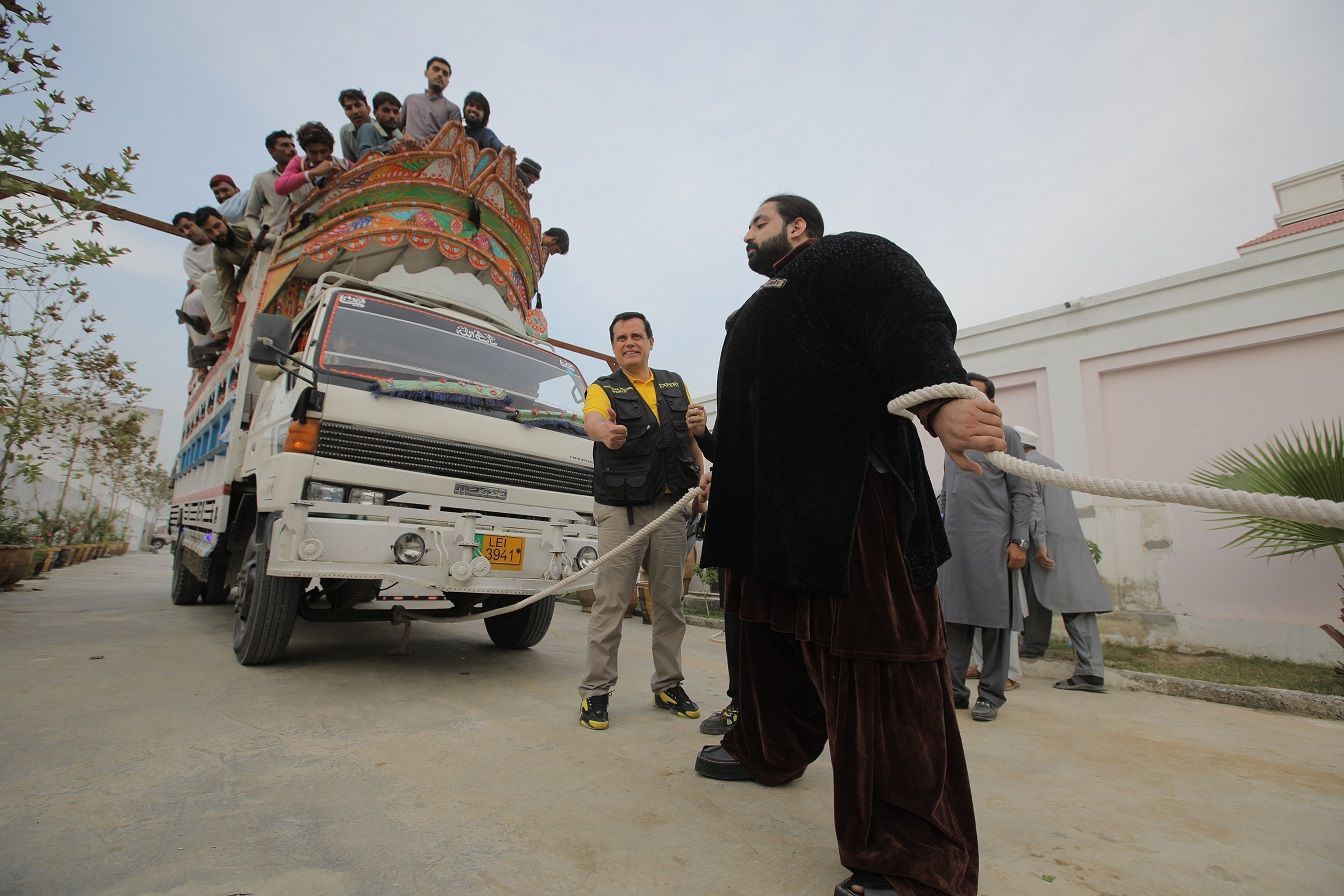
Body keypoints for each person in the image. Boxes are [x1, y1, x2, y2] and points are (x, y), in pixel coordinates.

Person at [693, 194, 1002, 896]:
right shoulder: (755, 309)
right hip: (758, 508)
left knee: (876, 664)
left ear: (798, 228)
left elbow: (904, 313)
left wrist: (941, 397)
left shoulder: (845, 258)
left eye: (760, 222)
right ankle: (768, 747)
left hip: (847, 503)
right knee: (762, 641)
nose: (746, 234)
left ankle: (915, 856)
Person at [578, 312, 707, 731]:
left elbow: (688, 436)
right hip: (622, 510)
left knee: (669, 604)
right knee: (612, 602)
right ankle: (596, 693)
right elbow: (593, 420)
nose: (629, 342)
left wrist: (702, 476)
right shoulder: (602, 389)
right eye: (621, 338)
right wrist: (605, 434)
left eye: (636, 336)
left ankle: (668, 684)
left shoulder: (674, 382)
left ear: (651, 342)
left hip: (671, 509)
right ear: (613, 348)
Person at [938, 372, 1033, 724]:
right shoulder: (950, 438)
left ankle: (991, 695)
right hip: (954, 542)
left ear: (991, 402)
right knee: (954, 618)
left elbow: (1022, 492)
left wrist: (1018, 541)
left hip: (994, 542)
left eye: (977, 396)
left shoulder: (1005, 436)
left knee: (993, 622)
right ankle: (953, 692)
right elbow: (947, 491)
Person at [1015, 425, 1113, 692]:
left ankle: (1090, 672)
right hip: (1069, 542)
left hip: (1049, 545)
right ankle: (1036, 646)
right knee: (1052, 600)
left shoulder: (1024, 465)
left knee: (1074, 609)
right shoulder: (1051, 464)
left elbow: (1035, 507)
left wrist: (1040, 544)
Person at [194, 206, 254, 342]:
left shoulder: (246, 228)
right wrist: (232, 315)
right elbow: (226, 285)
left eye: (217, 226)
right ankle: (222, 333)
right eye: (209, 231)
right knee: (208, 281)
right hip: (251, 275)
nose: (216, 233)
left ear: (224, 220)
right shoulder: (219, 254)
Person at [172, 211, 219, 366]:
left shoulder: (217, 233)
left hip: (232, 275)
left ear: (196, 222)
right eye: (182, 230)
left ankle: (205, 322)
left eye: (188, 226)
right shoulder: (189, 255)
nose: (187, 232)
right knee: (191, 301)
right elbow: (198, 280)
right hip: (209, 286)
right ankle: (205, 349)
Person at [243, 130, 298, 248]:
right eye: (284, 145)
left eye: (292, 145)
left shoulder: (308, 171)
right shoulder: (262, 179)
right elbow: (251, 214)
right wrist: (259, 236)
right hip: (278, 240)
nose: (292, 149)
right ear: (272, 151)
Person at [274, 121, 350, 201]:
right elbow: (280, 188)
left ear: (331, 149)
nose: (319, 158)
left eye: (323, 151)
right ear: (305, 150)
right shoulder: (299, 164)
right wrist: (314, 172)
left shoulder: (345, 164)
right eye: (313, 152)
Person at [401, 56, 461, 142]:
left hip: (437, 154)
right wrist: (403, 139)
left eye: (445, 73)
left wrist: (437, 140)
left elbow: (454, 141)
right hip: (406, 153)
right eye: (436, 69)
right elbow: (396, 128)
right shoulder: (410, 100)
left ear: (447, 82)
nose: (440, 74)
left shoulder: (453, 109)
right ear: (426, 73)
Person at [356, 92, 419, 160]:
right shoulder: (368, 128)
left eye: (395, 112)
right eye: (386, 111)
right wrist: (389, 146)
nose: (392, 116)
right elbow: (363, 156)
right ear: (375, 113)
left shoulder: (400, 135)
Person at [336, 88, 371, 163]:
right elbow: (350, 163)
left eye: (358, 105)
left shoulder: (381, 126)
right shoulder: (345, 132)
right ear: (346, 114)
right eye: (349, 108)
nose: (354, 111)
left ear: (368, 109)